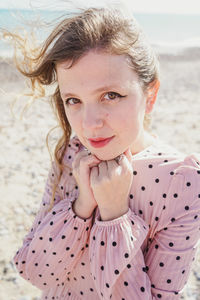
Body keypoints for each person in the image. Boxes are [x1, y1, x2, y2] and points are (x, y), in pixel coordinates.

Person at [11, 3, 200, 300]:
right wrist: (82, 204)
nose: (89, 124)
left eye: (110, 95)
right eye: (73, 100)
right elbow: (34, 271)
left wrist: (115, 215)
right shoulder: (70, 154)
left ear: (150, 96)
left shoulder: (182, 181)